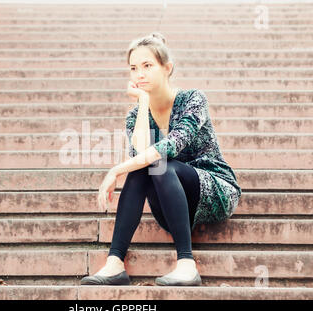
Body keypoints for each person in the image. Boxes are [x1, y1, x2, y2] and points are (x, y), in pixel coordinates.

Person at [81, 32, 242, 286]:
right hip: (170, 204)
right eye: (133, 68)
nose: (139, 74)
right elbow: (142, 158)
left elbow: (169, 146)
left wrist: (116, 170)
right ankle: (114, 263)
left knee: (157, 161)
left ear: (167, 68)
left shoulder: (193, 100)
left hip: (213, 190)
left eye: (147, 66)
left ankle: (187, 264)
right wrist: (144, 102)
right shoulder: (135, 116)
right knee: (147, 165)